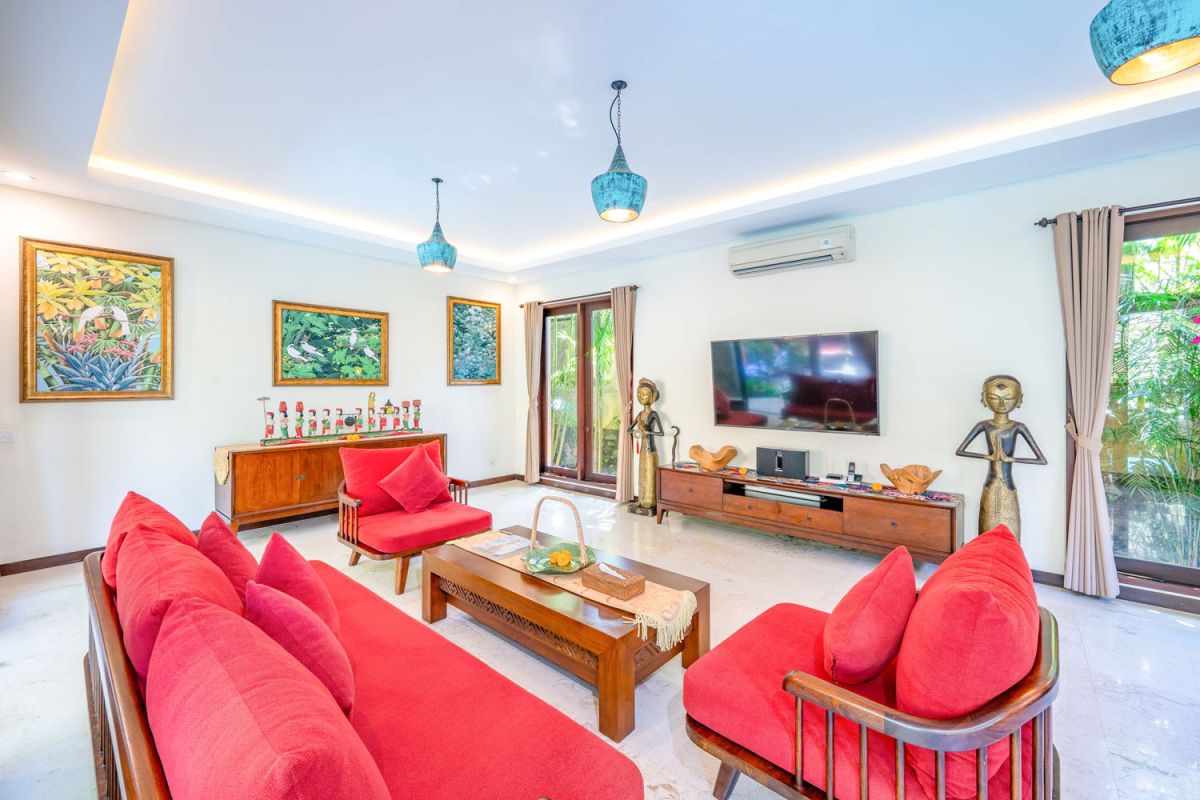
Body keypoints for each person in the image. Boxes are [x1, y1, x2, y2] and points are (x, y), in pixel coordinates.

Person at [955, 374, 1046, 537]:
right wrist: (988, 457)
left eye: (1009, 398)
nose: (1002, 403)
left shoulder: (1018, 427)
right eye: (994, 398)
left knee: (1011, 533)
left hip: (1008, 486)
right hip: (990, 484)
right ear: (984, 399)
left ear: (1019, 399)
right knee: (986, 531)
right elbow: (961, 450)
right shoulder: (984, 425)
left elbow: (1041, 459)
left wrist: (1010, 459)